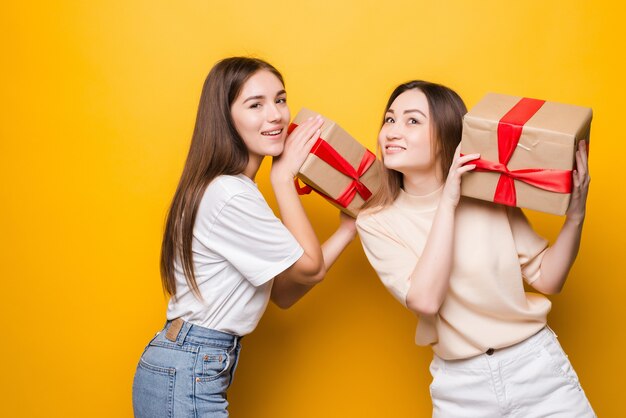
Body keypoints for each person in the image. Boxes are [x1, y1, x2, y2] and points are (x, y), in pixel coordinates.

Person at [132, 57, 356, 418]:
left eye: (280, 100)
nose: (276, 116)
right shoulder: (229, 194)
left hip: (190, 365)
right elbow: (311, 268)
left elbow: (283, 292)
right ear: (225, 118)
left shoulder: (233, 189)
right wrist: (283, 180)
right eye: (256, 105)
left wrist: (347, 230)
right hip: (188, 368)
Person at [356, 80, 595, 417]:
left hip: (535, 369)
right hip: (461, 386)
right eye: (390, 120)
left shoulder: (489, 196)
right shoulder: (376, 222)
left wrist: (576, 215)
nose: (393, 131)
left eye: (412, 121)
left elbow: (547, 279)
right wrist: (449, 202)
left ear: (446, 136)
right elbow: (425, 300)